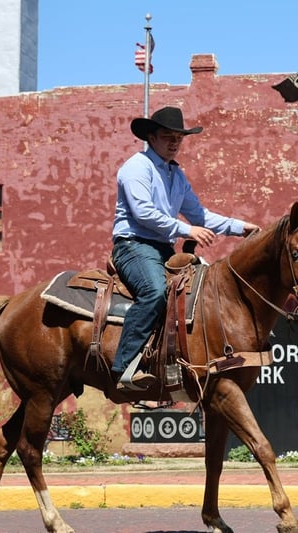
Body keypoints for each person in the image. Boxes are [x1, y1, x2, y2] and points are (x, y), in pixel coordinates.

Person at [111, 106, 260, 390]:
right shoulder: (136, 167)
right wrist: (186, 230)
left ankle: (179, 363)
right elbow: (143, 213)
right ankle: (124, 368)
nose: (175, 142)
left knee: (203, 292)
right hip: (133, 245)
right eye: (168, 136)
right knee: (154, 292)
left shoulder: (176, 175)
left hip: (162, 248)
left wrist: (240, 228)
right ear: (151, 137)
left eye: (179, 138)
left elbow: (200, 215)